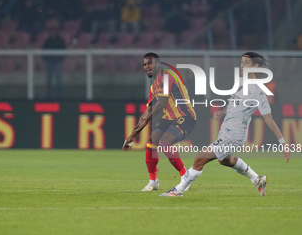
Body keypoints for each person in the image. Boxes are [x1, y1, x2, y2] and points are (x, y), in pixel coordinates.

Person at [161, 52, 291, 197]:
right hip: (227, 131)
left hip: (234, 134)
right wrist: (222, 113)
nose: (242, 66)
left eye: (246, 63)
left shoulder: (258, 91)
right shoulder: (241, 83)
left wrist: (283, 142)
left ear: (255, 66)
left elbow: (269, 119)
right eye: (241, 62)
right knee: (225, 160)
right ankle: (257, 179)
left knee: (200, 158)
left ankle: (178, 190)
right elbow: (232, 103)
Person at [122, 52, 197, 191]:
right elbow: (148, 111)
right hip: (168, 118)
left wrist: (136, 131)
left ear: (157, 64)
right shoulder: (154, 86)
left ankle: (185, 177)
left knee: (164, 143)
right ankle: (153, 181)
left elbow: (161, 104)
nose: (147, 67)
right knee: (151, 142)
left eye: (149, 63)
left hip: (185, 117)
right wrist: (132, 135)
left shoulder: (167, 76)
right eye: (144, 64)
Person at [43, 29, 66, 99]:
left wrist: (60, 59)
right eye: (51, 32)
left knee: (58, 79)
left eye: (54, 32)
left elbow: (64, 50)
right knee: (49, 79)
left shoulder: (60, 41)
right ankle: (48, 94)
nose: (53, 33)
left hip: (57, 62)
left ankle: (60, 95)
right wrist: (46, 59)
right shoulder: (48, 41)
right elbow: (43, 51)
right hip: (49, 62)